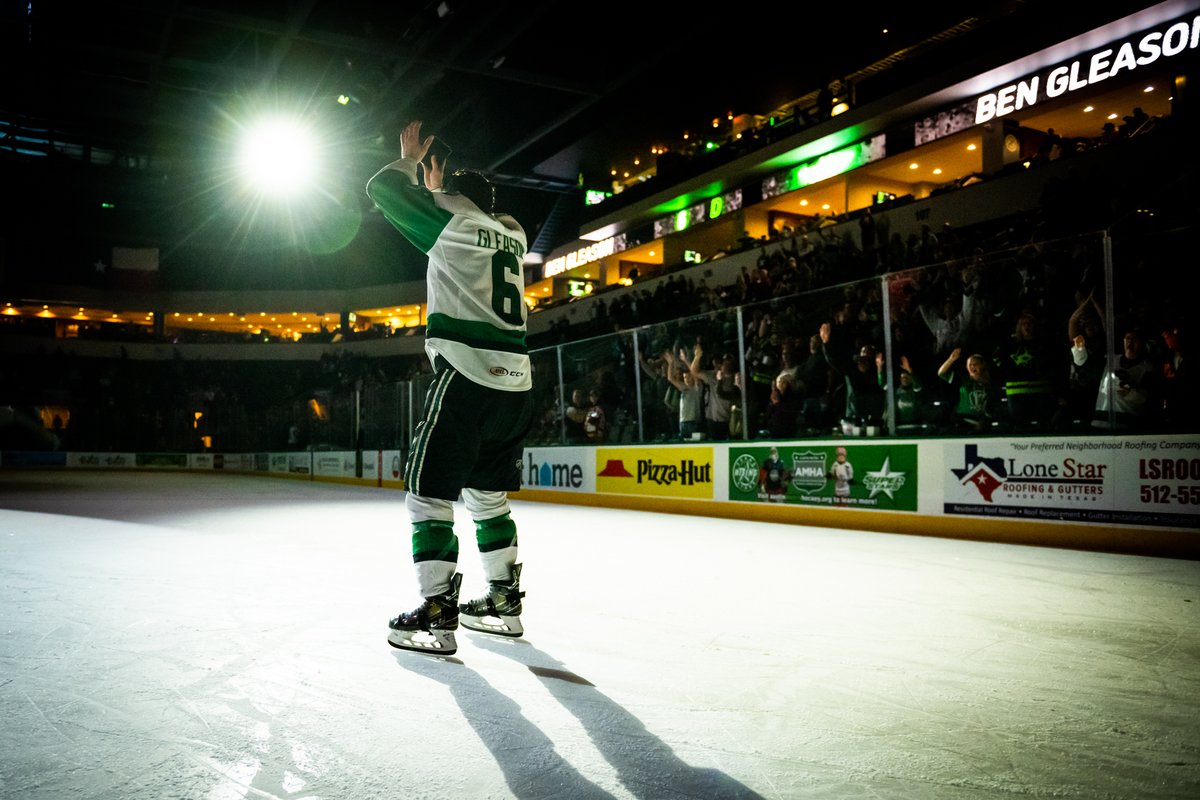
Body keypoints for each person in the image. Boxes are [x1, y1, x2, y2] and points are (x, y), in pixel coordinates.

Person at [366, 119, 533, 657]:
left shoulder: (455, 227)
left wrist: (413, 163)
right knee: (488, 495)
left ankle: (438, 613)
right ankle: (504, 603)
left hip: (467, 374)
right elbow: (484, 210)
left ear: (456, 199)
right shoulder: (512, 233)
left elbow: (382, 190)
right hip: (516, 384)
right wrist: (445, 188)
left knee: (427, 495)